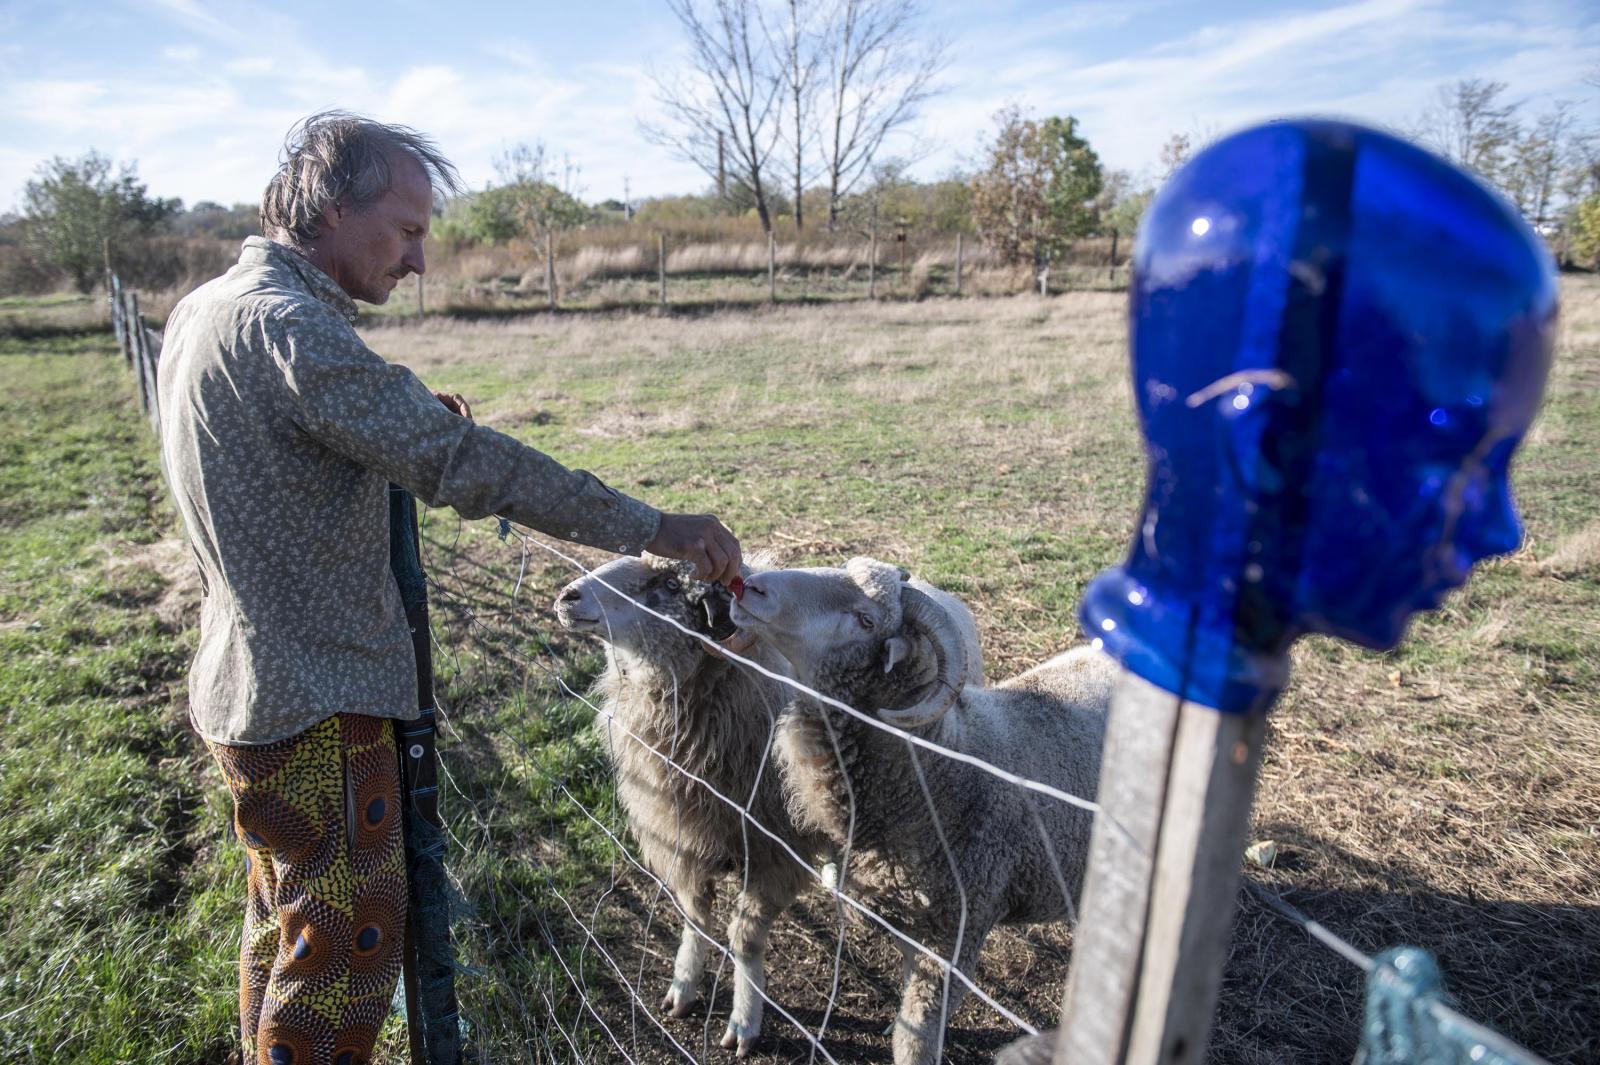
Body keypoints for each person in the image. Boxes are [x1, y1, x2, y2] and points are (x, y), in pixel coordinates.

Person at [156, 111, 741, 1065]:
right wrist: (657, 528)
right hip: (318, 696)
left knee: (286, 931)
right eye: (409, 230)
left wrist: (393, 413)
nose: (420, 261)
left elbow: (295, 435)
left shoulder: (212, 307)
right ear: (334, 206)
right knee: (339, 957)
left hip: (245, 683)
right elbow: (471, 466)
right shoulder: (291, 325)